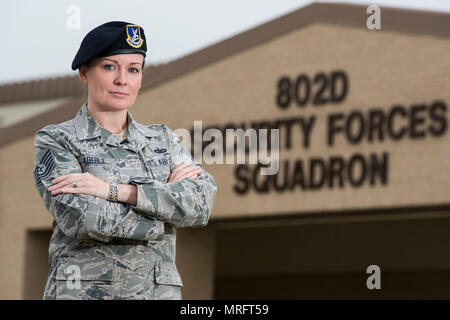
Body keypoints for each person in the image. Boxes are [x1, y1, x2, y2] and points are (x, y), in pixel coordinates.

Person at [32, 21, 217, 300]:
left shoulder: (163, 140)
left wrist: (116, 191)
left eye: (133, 69)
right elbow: (84, 218)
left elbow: (201, 204)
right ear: (84, 72)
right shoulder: (57, 140)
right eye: (110, 67)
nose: (123, 80)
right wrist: (165, 216)